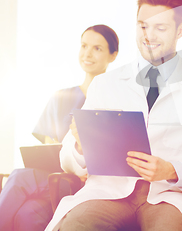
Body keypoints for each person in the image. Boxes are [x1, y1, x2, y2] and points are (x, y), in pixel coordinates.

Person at [45, 0, 182, 231]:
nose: (149, 36)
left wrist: (173, 170)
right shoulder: (105, 83)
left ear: (181, 30)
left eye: (161, 27)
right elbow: (68, 160)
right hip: (107, 193)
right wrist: (81, 146)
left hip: (168, 196)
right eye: (143, 25)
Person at [0, 24, 119, 231]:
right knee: (28, 213)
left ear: (113, 55)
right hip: (52, 178)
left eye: (97, 48)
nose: (87, 53)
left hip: (86, 183)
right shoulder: (60, 97)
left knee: (19, 177)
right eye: (84, 46)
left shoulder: (115, 102)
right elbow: (49, 145)